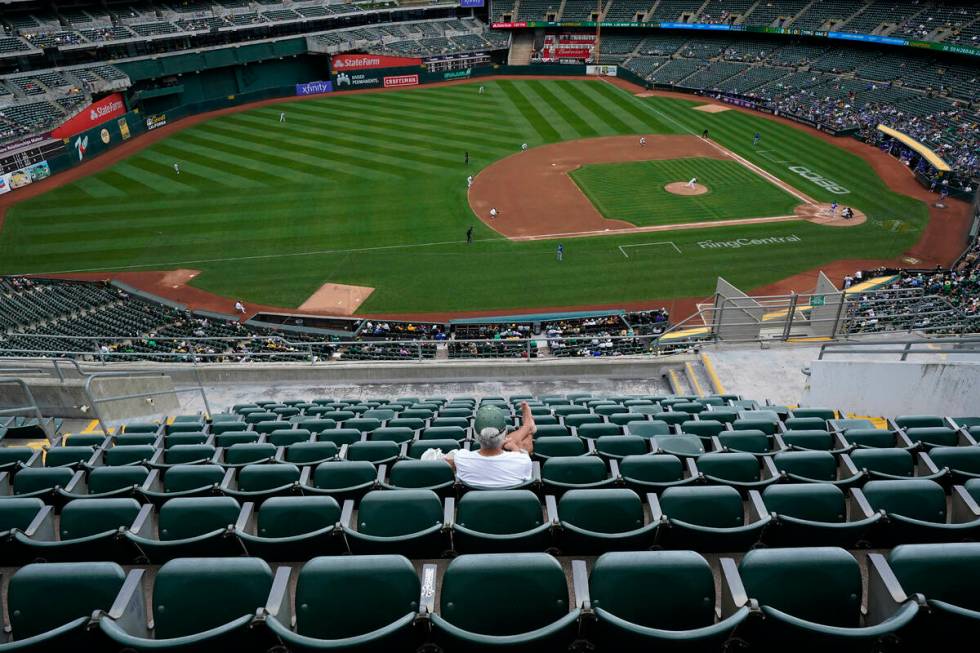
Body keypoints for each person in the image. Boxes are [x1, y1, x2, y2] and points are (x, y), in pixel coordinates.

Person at [439, 403, 535, 488]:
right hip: (513, 507)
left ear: (475, 435)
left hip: (474, 507)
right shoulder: (523, 460)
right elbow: (520, 459)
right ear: (505, 432)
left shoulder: (461, 458)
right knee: (523, 446)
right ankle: (528, 427)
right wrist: (514, 448)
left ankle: (528, 426)